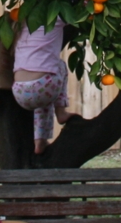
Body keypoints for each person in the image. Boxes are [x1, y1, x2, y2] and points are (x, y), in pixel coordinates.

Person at [11, 17, 77, 153]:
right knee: (59, 66)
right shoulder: (54, 18)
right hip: (43, 86)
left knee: (44, 93)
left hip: (19, 91)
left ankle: (40, 141)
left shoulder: (23, 23)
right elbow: (78, 12)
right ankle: (61, 112)